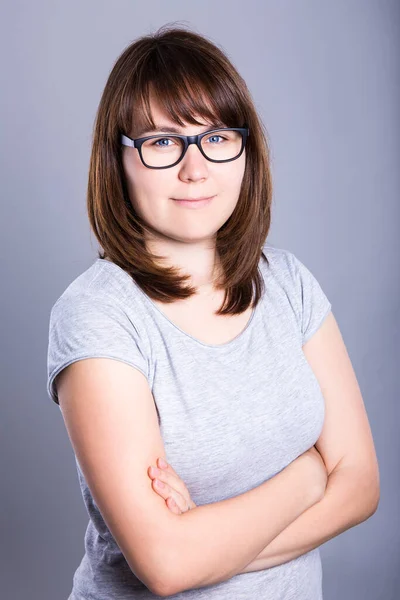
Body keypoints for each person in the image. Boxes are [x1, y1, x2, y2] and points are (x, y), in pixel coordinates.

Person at [46, 23, 379, 600]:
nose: (195, 169)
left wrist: (209, 544)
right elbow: (168, 565)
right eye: (162, 142)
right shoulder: (97, 314)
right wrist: (307, 476)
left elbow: (362, 486)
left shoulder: (289, 283)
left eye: (217, 136)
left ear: (244, 148)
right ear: (117, 160)